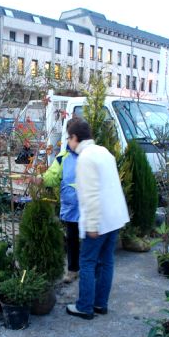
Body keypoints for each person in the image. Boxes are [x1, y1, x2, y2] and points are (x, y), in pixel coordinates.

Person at [65, 118, 129, 320]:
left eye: (69, 138)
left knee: (88, 261)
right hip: (115, 217)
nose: (68, 142)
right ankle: (100, 304)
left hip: (99, 220)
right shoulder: (104, 152)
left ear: (75, 137)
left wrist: (91, 225)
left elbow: (90, 195)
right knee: (106, 261)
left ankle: (84, 307)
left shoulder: (85, 158)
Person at [37, 144, 80, 283]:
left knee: (90, 240)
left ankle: (91, 270)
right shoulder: (63, 156)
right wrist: (41, 179)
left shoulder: (90, 154)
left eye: (71, 136)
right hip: (72, 207)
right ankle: (73, 270)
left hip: (89, 206)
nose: (69, 140)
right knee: (72, 238)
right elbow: (52, 176)